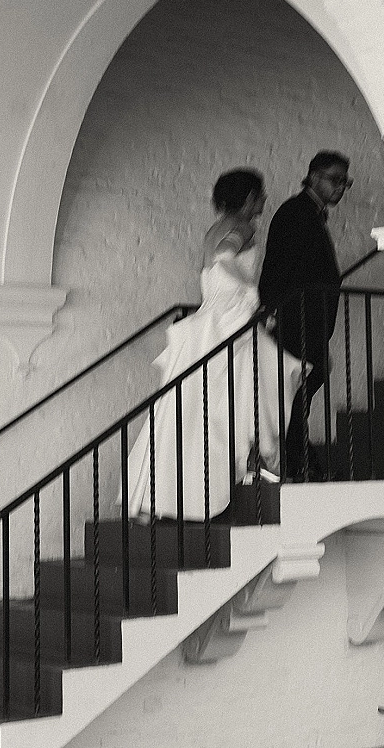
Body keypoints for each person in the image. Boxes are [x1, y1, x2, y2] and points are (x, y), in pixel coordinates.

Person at [120, 168, 304, 522]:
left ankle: (155, 499)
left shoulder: (214, 227)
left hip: (211, 319)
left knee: (190, 408)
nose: (264, 199)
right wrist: (249, 296)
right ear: (249, 197)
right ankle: (260, 471)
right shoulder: (240, 226)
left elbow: (213, 266)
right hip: (229, 318)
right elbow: (224, 258)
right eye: (261, 194)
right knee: (258, 388)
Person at [259, 151, 353, 482]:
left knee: (305, 385)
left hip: (311, 319)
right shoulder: (295, 212)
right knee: (298, 388)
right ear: (313, 177)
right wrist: (274, 312)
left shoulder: (310, 213)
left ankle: (299, 459)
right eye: (334, 179)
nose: (340, 187)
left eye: (345, 181)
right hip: (297, 317)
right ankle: (298, 462)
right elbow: (278, 268)